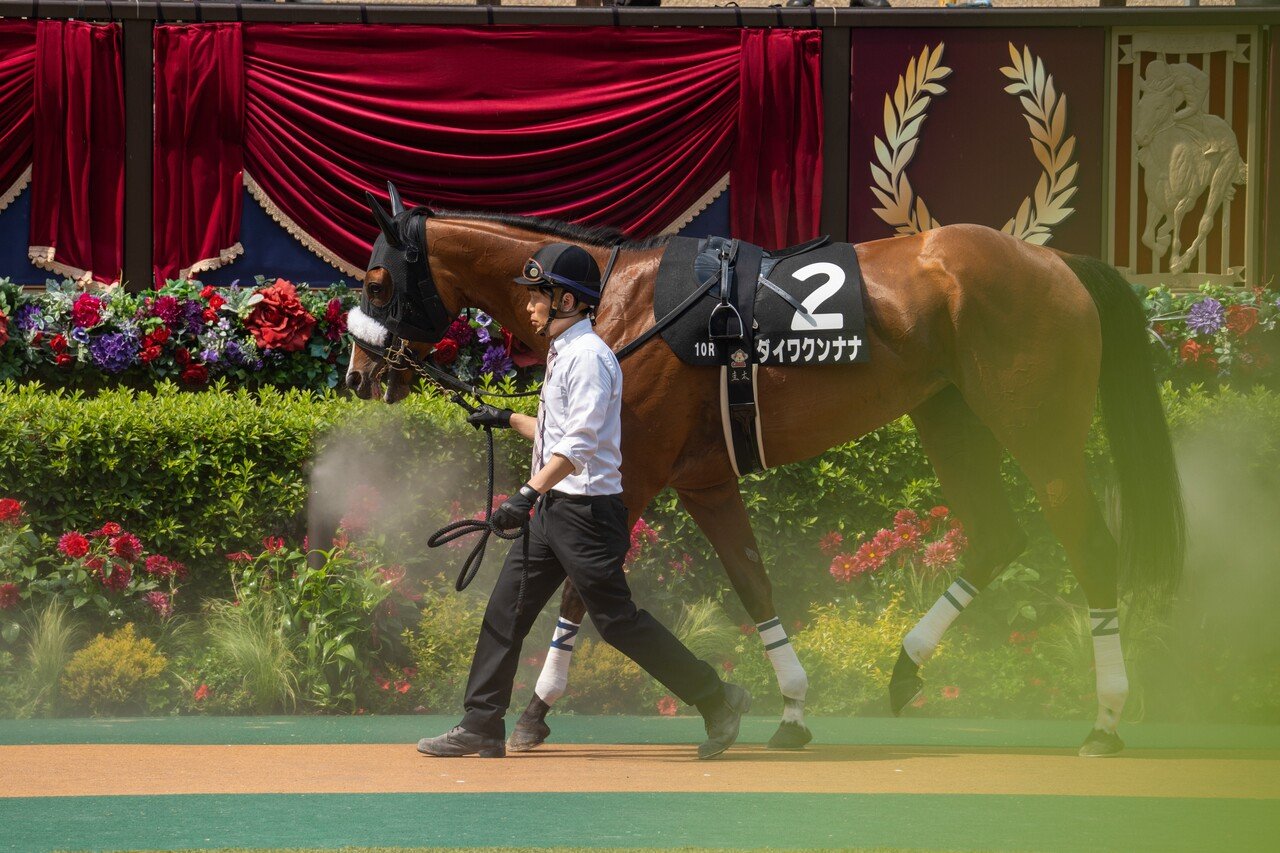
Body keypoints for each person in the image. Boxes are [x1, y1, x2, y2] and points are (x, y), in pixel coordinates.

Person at [417, 243, 751, 760]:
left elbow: (578, 446)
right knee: (506, 611)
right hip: (554, 511)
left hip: (587, 517)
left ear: (568, 301)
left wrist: (525, 494)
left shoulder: (590, 358)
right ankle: (481, 724)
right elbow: (559, 433)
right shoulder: (564, 353)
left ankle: (716, 696)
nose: (529, 306)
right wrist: (506, 419)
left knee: (618, 623)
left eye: (538, 296)